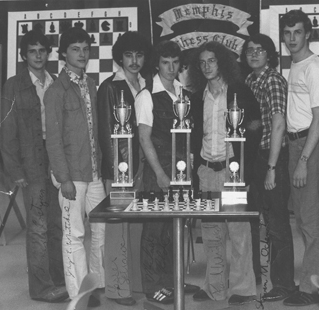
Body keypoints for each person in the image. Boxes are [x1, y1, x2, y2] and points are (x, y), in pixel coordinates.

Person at [187, 41, 261, 306]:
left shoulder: (239, 91)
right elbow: (196, 137)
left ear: (223, 63)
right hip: (206, 170)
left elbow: (254, 130)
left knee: (239, 230)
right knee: (210, 233)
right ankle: (214, 285)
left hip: (233, 171)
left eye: (212, 61)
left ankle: (242, 287)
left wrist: (247, 175)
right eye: (202, 62)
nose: (207, 66)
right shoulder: (196, 98)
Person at [0, 30, 68, 303]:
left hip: (55, 160)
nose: (38, 55)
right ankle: (41, 288)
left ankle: (58, 279)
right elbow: (7, 130)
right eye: (32, 51)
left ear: (49, 53)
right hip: (32, 163)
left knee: (55, 225)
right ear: (23, 55)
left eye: (42, 50)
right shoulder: (13, 85)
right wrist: (15, 170)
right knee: (38, 227)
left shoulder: (55, 82)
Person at [44, 27, 105, 306]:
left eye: (86, 48)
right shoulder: (56, 91)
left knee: (102, 229)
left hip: (94, 173)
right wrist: (63, 177)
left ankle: (96, 284)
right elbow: (53, 140)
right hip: (71, 176)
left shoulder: (90, 85)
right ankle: (78, 295)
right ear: (64, 53)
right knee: (74, 235)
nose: (82, 54)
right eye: (75, 49)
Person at [135, 40, 199, 304]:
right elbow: (144, 138)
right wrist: (160, 174)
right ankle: (153, 287)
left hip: (183, 172)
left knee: (177, 229)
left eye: (175, 62)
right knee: (155, 230)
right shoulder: (146, 95)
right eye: (165, 62)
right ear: (156, 64)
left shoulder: (183, 93)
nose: (171, 68)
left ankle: (173, 281)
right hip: (157, 171)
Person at [279, 10, 319, 306]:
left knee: (311, 222)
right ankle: (313, 281)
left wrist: (303, 160)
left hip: (308, 147)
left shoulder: (313, 67)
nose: (291, 39)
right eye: (287, 33)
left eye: (297, 32)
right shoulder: (294, 64)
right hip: (294, 144)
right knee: (302, 220)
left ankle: (312, 290)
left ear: (307, 34)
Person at [97, 31, 151, 306]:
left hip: (142, 167)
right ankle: (117, 289)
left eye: (139, 55)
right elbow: (107, 136)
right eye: (129, 55)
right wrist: (120, 173)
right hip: (121, 171)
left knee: (137, 228)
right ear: (120, 57)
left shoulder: (145, 85)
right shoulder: (109, 86)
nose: (134, 60)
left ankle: (136, 283)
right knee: (118, 228)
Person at [241, 34, 295, 301]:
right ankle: (256, 280)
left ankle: (284, 284)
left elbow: (278, 124)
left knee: (277, 224)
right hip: (254, 158)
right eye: (249, 50)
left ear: (269, 55)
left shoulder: (273, 80)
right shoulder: (249, 81)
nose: (254, 54)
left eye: (260, 50)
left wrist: (272, 167)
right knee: (253, 219)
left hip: (271, 157)